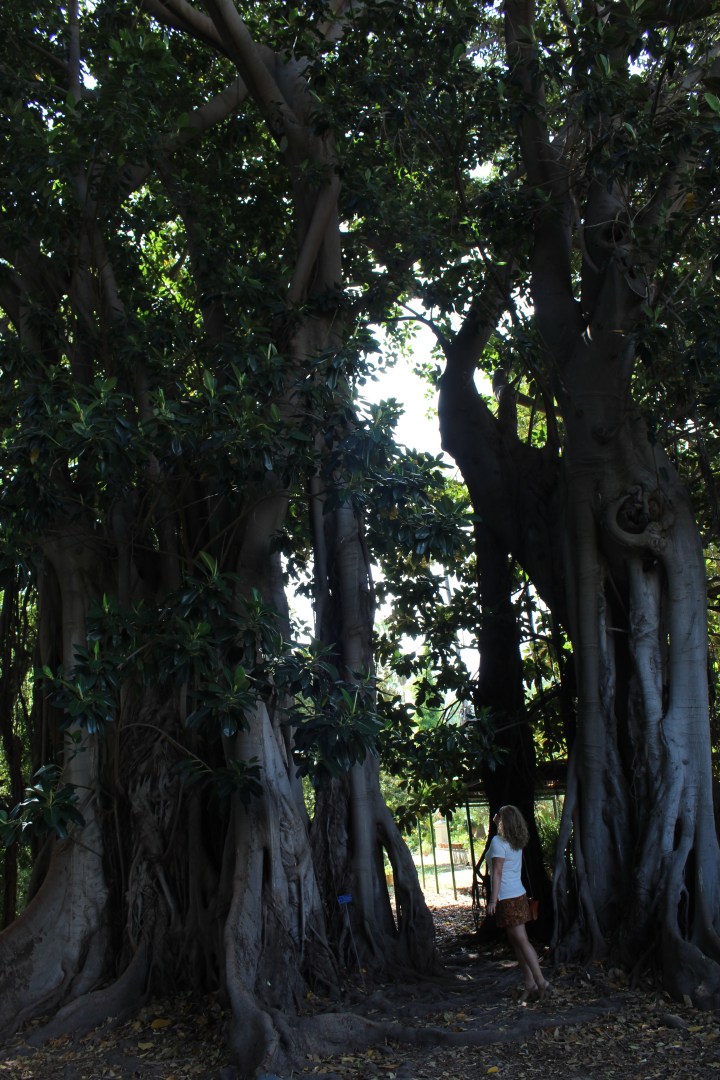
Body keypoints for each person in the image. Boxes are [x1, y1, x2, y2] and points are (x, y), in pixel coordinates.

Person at [486, 804, 550, 1003]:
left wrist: (492, 900)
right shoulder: (516, 841)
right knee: (517, 942)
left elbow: (497, 872)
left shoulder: (498, 842)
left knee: (521, 941)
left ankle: (541, 982)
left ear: (502, 821)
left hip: (507, 898)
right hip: (519, 895)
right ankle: (530, 984)